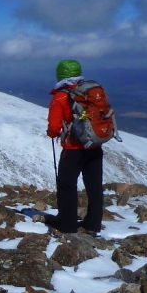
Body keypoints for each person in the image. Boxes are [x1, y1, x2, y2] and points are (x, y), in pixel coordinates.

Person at [44, 59, 104, 235]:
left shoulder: (61, 96)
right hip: (94, 146)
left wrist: (51, 134)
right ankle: (93, 225)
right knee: (94, 186)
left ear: (60, 74)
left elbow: (54, 128)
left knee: (66, 185)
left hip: (73, 149)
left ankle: (68, 226)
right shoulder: (91, 91)